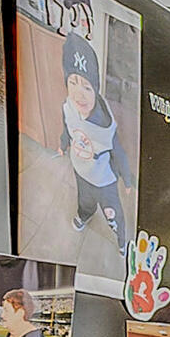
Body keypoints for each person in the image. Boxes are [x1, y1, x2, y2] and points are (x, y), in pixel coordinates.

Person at [59, 32, 129, 251]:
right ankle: (85, 214)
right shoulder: (70, 106)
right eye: (73, 83)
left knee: (112, 211)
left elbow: (118, 152)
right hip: (81, 170)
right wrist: (63, 144)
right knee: (85, 200)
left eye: (87, 87)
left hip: (103, 179)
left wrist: (127, 180)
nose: (79, 94)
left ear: (96, 89)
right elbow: (67, 127)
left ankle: (120, 239)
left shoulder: (104, 125)